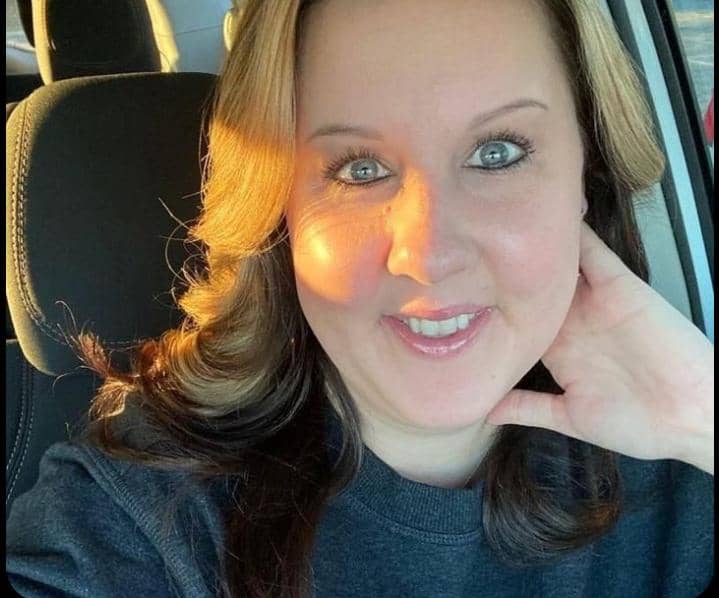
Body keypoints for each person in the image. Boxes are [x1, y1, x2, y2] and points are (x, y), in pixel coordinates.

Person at [6, 1, 714, 597]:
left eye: (496, 152)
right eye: (360, 169)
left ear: (586, 176)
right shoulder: (138, 522)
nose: (428, 255)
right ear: (279, 211)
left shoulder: (678, 457)